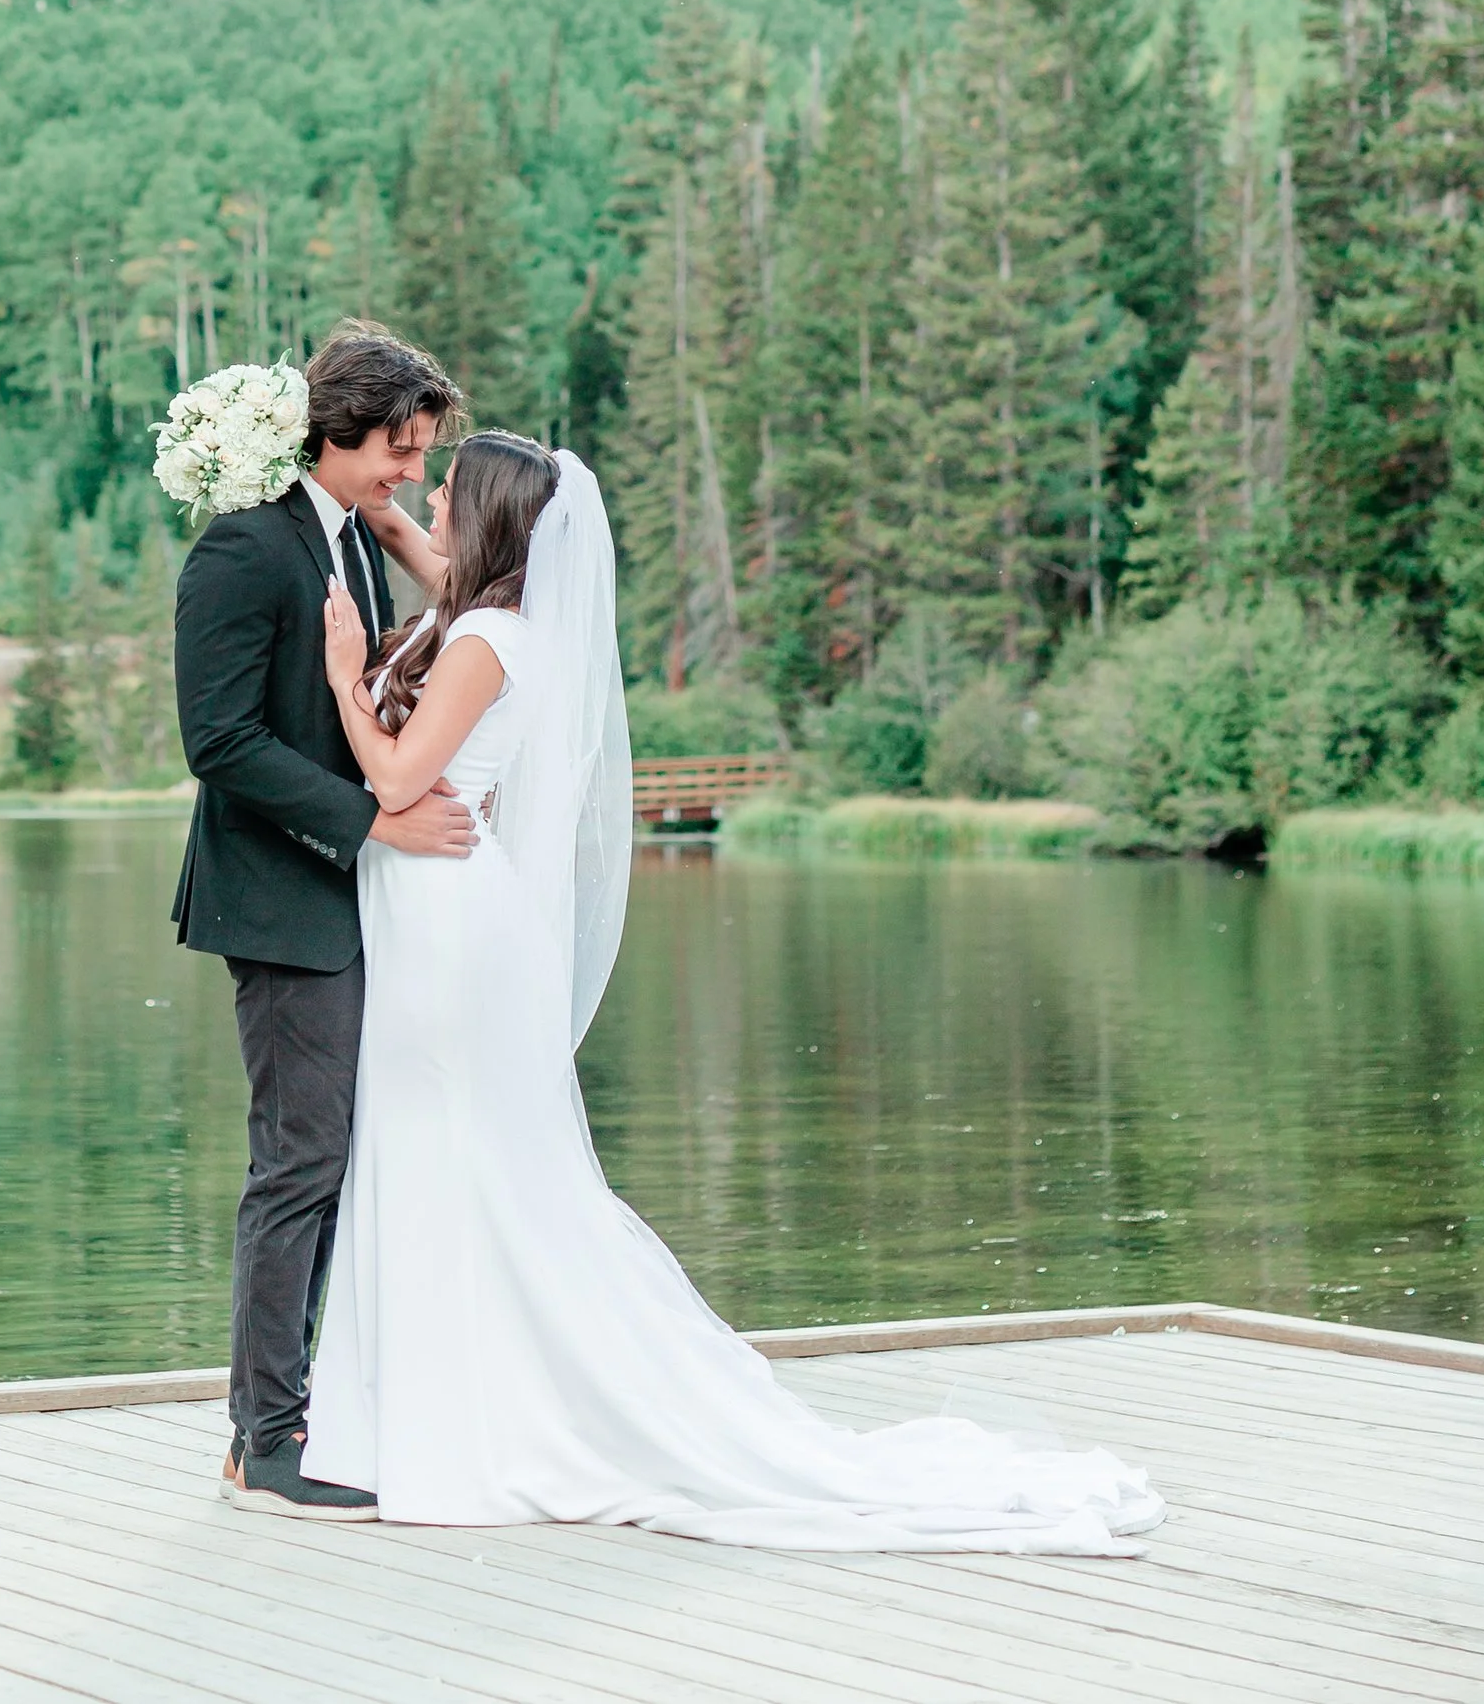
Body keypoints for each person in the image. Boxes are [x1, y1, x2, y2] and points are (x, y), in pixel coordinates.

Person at [301, 430, 1167, 1555]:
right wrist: (354, 497)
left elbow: (396, 777)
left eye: (448, 493)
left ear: (492, 522)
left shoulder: (481, 643)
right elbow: (424, 554)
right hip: (440, 918)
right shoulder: (499, 620)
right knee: (446, 1153)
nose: (430, 504)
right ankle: (428, 1414)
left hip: (448, 927)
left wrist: (343, 675)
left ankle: (463, 1420)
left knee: (454, 1153)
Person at [169, 320, 474, 1518]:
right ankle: (265, 1439)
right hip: (279, 898)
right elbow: (219, 742)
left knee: (330, 1160)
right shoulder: (242, 548)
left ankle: (291, 1417)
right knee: (298, 1164)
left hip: (346, 900)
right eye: (401, 449)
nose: (412, 469)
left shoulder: (347, 534)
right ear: (337, 433)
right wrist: (371, 822)